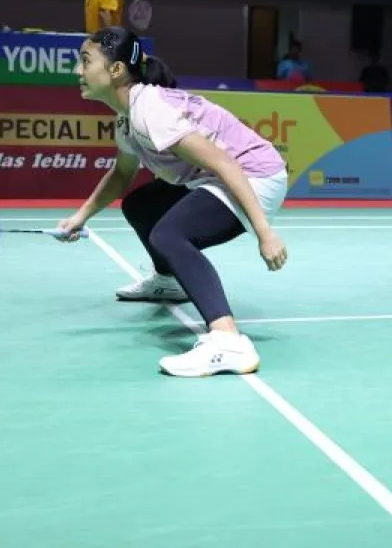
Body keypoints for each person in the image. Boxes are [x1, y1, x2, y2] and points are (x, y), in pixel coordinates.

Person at [57, 26, 291, 375]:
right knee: (141, 205)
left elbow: (225, 163)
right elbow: (121, 175)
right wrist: (81, 217)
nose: (78, 70)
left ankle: (228, 341)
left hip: (255, 175)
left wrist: (265, 233)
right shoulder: (128, 118)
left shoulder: (151, 111)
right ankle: (167, 281)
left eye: (85, 61)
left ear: (116, 69)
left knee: (169, 234)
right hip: (214, 177)